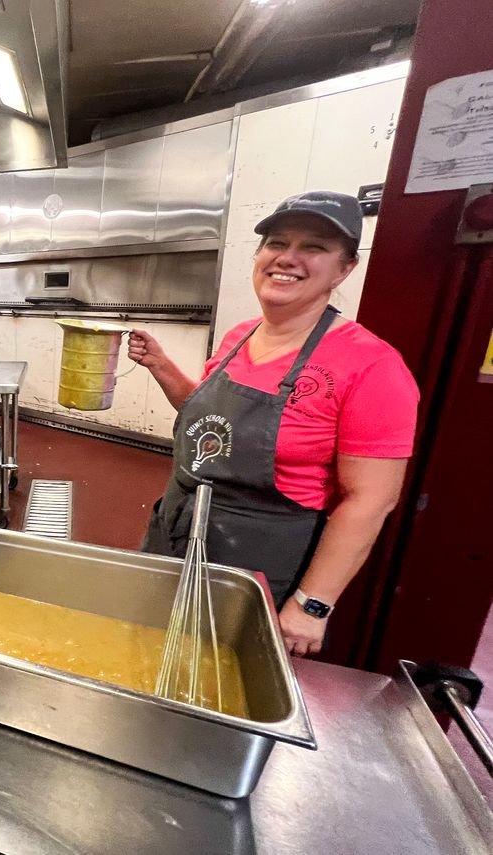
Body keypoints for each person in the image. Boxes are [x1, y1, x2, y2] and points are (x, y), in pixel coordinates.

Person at [128, 190, 419, 657]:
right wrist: (162, 367)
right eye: (276, 243)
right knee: (148, 653)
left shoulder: (372, 366)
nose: (288, 258)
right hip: (174, 536)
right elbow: (213, 427)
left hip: (259, 566)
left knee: (220, 675)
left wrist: (311, 605)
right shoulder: (238, 336)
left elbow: (371, 500)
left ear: (344, 268)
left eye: (314, 247)